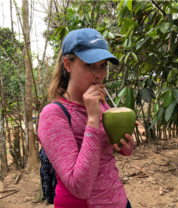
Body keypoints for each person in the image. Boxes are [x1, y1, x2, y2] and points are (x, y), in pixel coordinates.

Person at [38, 28, 137, 208]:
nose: (99, 74)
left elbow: (124, 151)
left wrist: (125, 140)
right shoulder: (53, 115)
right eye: (90, 65)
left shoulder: (101, 103)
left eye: (103, 65)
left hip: (119, 201)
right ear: (67, 64)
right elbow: (80, 187)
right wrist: (92, 120)